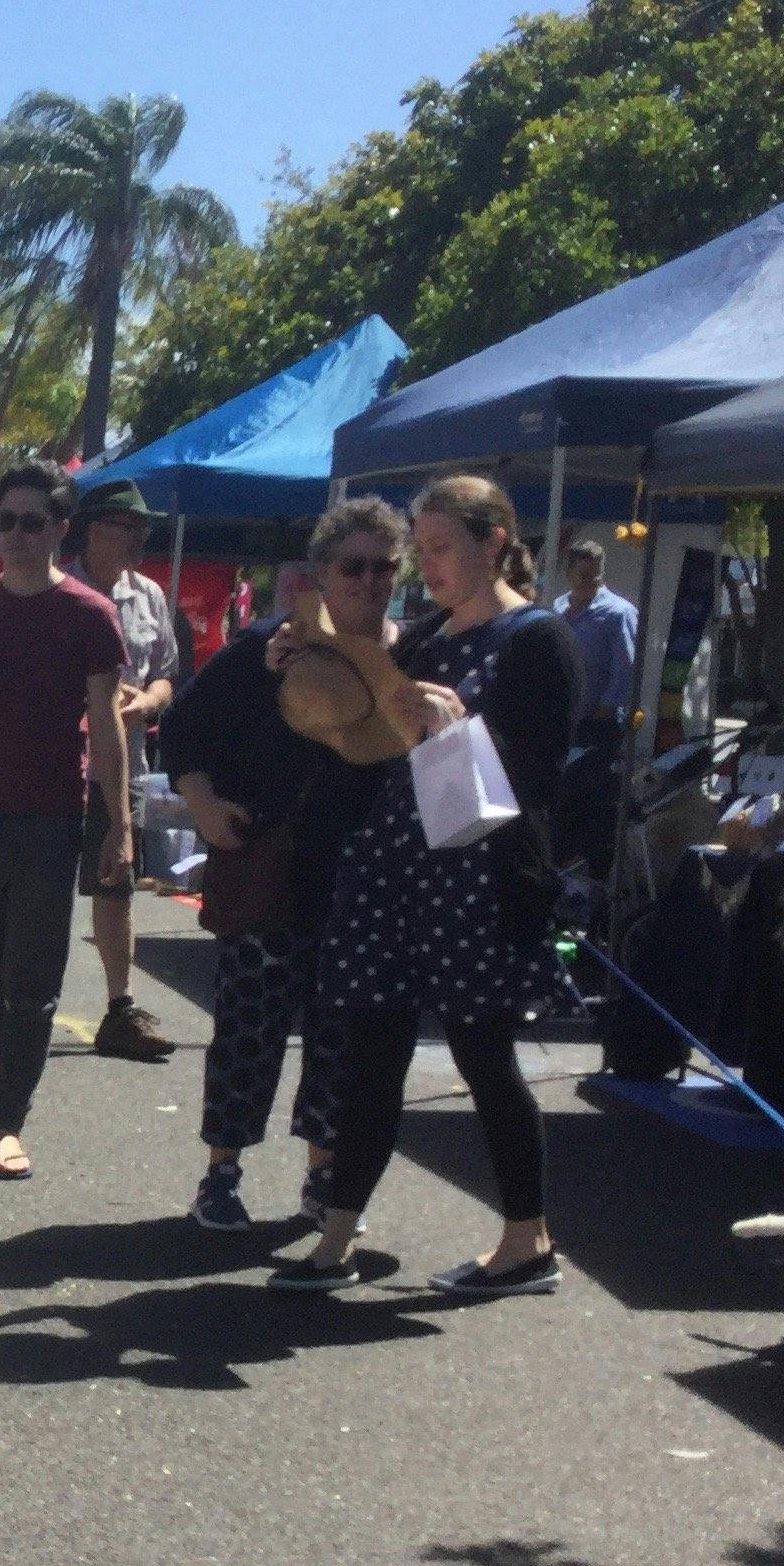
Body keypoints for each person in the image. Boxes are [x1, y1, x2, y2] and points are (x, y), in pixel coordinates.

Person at [274, 473, 583, 1298]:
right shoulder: (430, 637)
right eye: (426, 549)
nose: (429, 565)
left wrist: (457, 729)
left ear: (495, 539)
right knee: (372, 1053)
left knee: (485, 1057)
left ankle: (528, 1240)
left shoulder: (535, 639)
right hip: (398, 872)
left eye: (442, 547)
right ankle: (336, 1236)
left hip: (478, 876)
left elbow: (543, 779)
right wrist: (305, 663)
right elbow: (362, 718)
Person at [160, 513, 401, 1232]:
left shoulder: (412, 656)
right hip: (271, 865)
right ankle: (220, 1175)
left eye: (383, 566)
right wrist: (203, 805)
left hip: (363, 880)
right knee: (248, 1030)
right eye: (353, 567)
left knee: (340, 1040)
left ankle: (324, 1177)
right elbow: (181, 730)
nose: (369, 581)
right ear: (322, 574)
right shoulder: (263, 650)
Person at [0, 462, 129, 1185]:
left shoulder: (89, 616)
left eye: (31, 522)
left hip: (50, 817)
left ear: (59, 530)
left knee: (32, 983)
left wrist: (120, 825)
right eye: (4, 522)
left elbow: (107, 726)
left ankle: (9, 1122)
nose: (15, 535)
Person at [68, 481, 180, 1060]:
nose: (138, 538)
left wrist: (149, 702)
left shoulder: (150, 596)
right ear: (93, 529)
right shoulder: (59, 591)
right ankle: (18, 1008)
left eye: (143, 529)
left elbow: (165, 672)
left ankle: (121, 1009)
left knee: (116, 887)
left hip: (124, 766)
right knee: (37, 890)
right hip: (58, 767)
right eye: (126, 527)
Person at [555, 533, 640, 749]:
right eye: (583, 575)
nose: (591, 582)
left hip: (599, 721)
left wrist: (606, 707)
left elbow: (625, 665)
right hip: (562, 716)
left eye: (596, 575)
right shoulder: (558, 608)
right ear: (568, 574)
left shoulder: (618, 613)